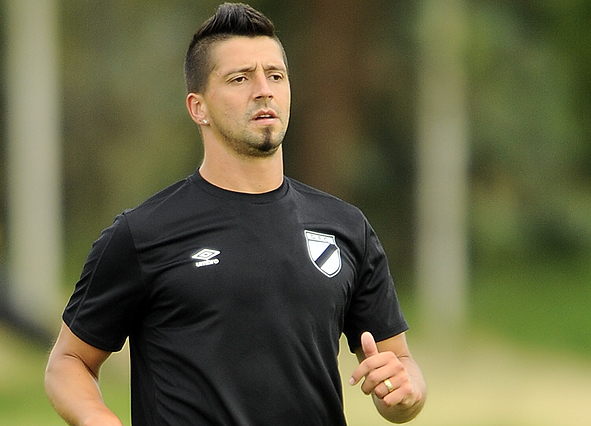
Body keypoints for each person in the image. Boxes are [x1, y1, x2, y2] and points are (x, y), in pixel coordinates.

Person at [44, 3, 426, 425]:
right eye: (240, 78)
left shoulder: (346, 227)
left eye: (275, 76)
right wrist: (99, 420)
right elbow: (68, 361)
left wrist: (405, 393)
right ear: (198, 107)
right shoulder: (142, 233)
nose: (264, 90)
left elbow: (400, 365)